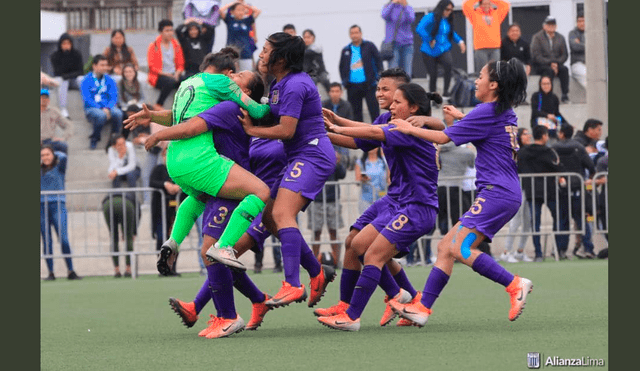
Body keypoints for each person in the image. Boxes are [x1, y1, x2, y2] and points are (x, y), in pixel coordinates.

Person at [384, 58, 533, 328]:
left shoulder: (485, 111)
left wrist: (409, 127)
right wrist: (464, 118)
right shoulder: (502, 111)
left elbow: (443, 138)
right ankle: (421, 308)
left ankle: (514, 284)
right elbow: (488, 131)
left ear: (494, 84)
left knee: (461, 247)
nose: (476, 81)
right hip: (503, 192)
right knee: (445, 248)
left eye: (480, 76)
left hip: (496, 193)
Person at [141, 69, 275, 337]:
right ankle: (251, 301)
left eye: (238, 76)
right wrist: (155, 116)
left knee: (211, 251)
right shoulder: (223, 103)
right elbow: (186, 116)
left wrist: (158, 134)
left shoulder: (227, 106)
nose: (230, 76)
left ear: (245, 92)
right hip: (220, 179)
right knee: (205, 234)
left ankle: (227, 315)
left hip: (224, 182)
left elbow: (191, 125)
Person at [316, 68, 445, 328]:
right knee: (355, 242)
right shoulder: (392, 118)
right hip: (396, 199)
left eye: (389, 92)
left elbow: (374, 133)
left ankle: (360, 312)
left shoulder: (406, 127)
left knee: (370, 252)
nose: (380, 94)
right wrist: (328, 128)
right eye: (379, 89)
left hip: (414, 205)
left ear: (409, 99)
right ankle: (396, 298)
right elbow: (365, 134)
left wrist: (334, 125)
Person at [124, 48, 271, 274]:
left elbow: (180, 116)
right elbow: (258, 112)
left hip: (175, 161)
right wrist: (285, 106)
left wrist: (153, 117)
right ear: (227, 71)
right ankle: (224, 247)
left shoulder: (188, 83)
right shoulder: (224, 87)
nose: (233, 78)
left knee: (200, 198)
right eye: (234, 74)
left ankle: (172, 242)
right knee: (261, 192)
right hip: (200, 160)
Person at [241, 32, 339, 308]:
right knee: (271, 217)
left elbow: (287, 129)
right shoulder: (278, 84)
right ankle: (317, 273)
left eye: (265, 50)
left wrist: (251, 130)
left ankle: (293, 284)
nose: (261, 54)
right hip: (299, 156)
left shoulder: (295, 85)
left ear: (281, 58)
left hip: (312, 154)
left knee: (282, 213)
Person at [518, 124, 567, 261]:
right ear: (544, 135)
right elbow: (559, 168)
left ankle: (538, 253)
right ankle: (557, 250)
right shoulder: (549, 152)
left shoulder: (523, 152)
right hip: (549, 190)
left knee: (536, 223)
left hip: (532, 191)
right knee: (558, 218)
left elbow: (517, 168)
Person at [552, 123, 596, 259]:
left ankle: (561, 250)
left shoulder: (554, 148)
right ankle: (588, 248)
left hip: (561, 188)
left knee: (562, 220)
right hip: (578, 186)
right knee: (581, 219)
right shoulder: (579, 147)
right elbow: (591, 166)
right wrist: (589, 179)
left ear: (561, 133)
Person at [41, 145, 81, 281]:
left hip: (58, 205)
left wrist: (53, 152)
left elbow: (64, 156)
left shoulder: (60, 168)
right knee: (46, 241)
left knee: (63, 239)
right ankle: (51, 272)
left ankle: (70, 270)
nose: (45, 158)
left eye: (48, 154)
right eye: (42, 155)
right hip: (41, 207)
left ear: (53, 155)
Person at [250, 137, 287, 274]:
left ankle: (282, 268)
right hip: (256, 197)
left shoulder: (284, 134)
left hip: (280, 196)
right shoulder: (249, 135)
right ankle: (316, 271)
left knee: (232, 249)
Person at [307, 145, 348, 269]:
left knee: (333, 231)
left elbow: (342, 175)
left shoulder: (334, 152)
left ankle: (336, 261)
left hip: (333, 200)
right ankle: (313, 262)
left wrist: (338, 163)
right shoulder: (313, 153)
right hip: (316, 200)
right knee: (316, 232)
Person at [416, 0, 466, 98]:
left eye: (451, 10)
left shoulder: (447, 20)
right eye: (447, 9)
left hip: (443, 49)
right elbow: (420, 28)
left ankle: (446, 92)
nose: (449, 12)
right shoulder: (430, 17)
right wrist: (429, 38)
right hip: (428, 51)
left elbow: (451, 32)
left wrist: (460, 42)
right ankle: (433, 95)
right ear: (441, 8)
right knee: (433, 74)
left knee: (448, 65)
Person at [500, 128, 533, 262]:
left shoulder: (530, 151)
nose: (528, 136)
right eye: (525, 134)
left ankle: (520, 251)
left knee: (528, 221)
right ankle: (506, 251)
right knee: (516, 220)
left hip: (528, 188)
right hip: (516, 187)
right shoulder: (515, 151)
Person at [339, 25, 383, 122]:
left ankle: (377, 133)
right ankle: (360, 136)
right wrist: (345, 82)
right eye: (352, 33)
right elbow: (341, 67)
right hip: (352, 86)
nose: (354, 35)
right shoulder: (346, 49)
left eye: (356, 32)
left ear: (361, 33)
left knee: (374, 111)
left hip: (369, 85)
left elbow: (378, 60)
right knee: (355, 114)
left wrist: (378, 78)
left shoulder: (369, 46)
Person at [81, 54, 124, 150]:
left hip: (108, 107)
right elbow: (87, 99)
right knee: (101, 115)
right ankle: (95, 138)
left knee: (118, 113)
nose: (105, 67)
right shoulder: (86, 80)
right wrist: (101, 108)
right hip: (92, 108)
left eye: (106, 65)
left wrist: (107, 108)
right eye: (102, 65)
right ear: (94, 66)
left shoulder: (110, 80)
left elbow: (114, 97)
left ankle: (114, 139)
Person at [530, 16, 570, 104]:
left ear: (556, 26)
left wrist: (556, 63)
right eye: (549, 25)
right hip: (541, 65)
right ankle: (548, 96)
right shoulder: (537, 37)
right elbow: (536, 56)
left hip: (557, 64)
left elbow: (564, 55)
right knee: (549, 71)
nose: (551, 27)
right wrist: (551, 63)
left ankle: (565, 95)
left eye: (553, 25)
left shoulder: (560, 37)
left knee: (564, 70)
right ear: (544, 26)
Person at [462, 0, 510, 73]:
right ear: (480, 5)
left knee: (494, 72)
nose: (486, 6)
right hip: (481, 48)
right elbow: (466, 5)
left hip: (495, 48)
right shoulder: (475, 15)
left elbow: (505, 5)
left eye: (488, 4)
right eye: (484, 4)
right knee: (483, 72)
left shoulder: (497, 14)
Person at [147, 19, 185, 110]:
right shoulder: (154, 46)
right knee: (170, 82)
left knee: (187, 80)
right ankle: (159, 104)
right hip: (159, 76)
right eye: (167, 31)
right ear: (161, 32)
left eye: (171, 30)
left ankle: (182, 105)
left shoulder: (176, 45)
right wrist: (166, 74)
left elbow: (181, 64)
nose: (170, 33)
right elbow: (152, 67)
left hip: (173, 74)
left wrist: (177, 73)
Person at [102, 190, 140, 278]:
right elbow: (138, 214)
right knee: (128, 238)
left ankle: (117, 269)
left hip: (108, 203)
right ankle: (128, 269)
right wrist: (134, 232)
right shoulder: (133, 196)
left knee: (113, 238)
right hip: (126, 204)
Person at [50, 33, 85, 118]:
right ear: (60, 45)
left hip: (74, 80)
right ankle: (63, 109)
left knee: (82, 79)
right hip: (62, 81)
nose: (66, 46)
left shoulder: (76, 54)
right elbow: (58, 72)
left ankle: (87, 104)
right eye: (64, 44)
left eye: (68, 43)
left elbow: (81, 71)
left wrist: (68, 75)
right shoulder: (55, 56)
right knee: (61, 80)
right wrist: (65, 56)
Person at [220, 1, 261, 72]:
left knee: (246, 72)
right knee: (231, 73)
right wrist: (234, 3)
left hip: (245, 52)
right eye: (238, 10)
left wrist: (243, 4)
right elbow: (220, 10)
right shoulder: (230, 20)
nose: (240, 12)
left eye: (242, 10)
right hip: (231, 51)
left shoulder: (247, 20)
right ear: (232, 12)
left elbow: (258, 11)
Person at [381, 0, 416, 77]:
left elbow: (411, 19)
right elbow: (384, 15)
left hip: (407, 44)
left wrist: (405, 6)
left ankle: (406, 88)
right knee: (393, 73)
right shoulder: (388, 6)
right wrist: (393, 3)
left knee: (407, 73)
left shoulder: (408, 7)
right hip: (393, 45)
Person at [530, 75, 568, 141]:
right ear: (540, 84)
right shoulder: (536, 96)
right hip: (539, 125)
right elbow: (535, 112)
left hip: (552, 124)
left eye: (548, 83)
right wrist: (547, 115)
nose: (546, 86)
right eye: (544, 84)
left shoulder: (554, 97)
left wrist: (566, 123)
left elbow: (556, 112)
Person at [355, 148, 389, 214]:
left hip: (382, 196)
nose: (372, 148)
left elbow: (389, 178)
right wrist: (363, 179)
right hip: (366, 198)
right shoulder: (360, 162)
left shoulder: (384, 162)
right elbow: (357, 180)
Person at [41, 88, 72, 154]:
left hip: (49, 141)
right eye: (41, 97)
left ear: (48, 100)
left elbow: (68, 125)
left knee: (63, 146)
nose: (43, 99)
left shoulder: (53, 111)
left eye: (45, 97)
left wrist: (63, 138)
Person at [302, 29, 331, 94]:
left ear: (313, 38)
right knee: (312, 81)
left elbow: (311, 52)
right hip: (310, 73)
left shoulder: (317, 48)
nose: (306, 39)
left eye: (308, 37)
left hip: (321, 72)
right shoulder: (302, 50)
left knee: (325, 80)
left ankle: (331, 96)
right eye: (305, 37)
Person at [568, 13, 586, 88]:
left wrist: (581, 43)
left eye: (583, 21)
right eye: (579, 21)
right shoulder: (572, 33)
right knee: (587, 77)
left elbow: (597, 47)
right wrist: (588, 44)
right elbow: (575, 47)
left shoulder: (592, 33)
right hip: (578, 64)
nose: (582, 23)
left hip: (592, 64)